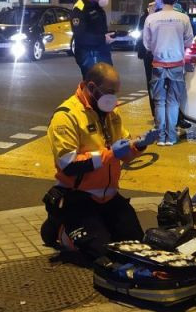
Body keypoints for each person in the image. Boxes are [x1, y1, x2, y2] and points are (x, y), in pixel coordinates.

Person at [40, 63, 159, 259]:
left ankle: (99, 224)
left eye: (116, 92)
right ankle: (59, 227)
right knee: (101, 254)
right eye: (109, 92)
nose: (114, 98)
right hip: (79, 196)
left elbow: (123, 151)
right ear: (92, 87)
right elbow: (69, 165)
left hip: (109, 197)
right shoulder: (67, 117)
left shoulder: (111, 113)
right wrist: (111, 153)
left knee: (137, 246)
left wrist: (138, 146)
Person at [143, 0, 194, 146]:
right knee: (173, 102)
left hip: (158, 64)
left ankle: (161, 137)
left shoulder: (151, 18)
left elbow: (147, 44)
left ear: (162, 0)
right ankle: (171, 137)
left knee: (159, 101)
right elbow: (189, 42)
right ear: (176, 1)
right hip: (177, 65)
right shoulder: (183, 18)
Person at [71, 0, 115, 78]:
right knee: (94, 85)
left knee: (107, 83)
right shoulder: (80, 8)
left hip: (102, 52)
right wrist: (102, 39)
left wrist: (108, 37)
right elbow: (80, 36)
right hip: (89, 55)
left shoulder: (97, 5)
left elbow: (98, 28)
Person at [136, 1, 157, 115]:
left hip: (160, 55)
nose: (152, 8)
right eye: (150, 6)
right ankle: (154, 112)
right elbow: (140, 35)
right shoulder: (144, 18)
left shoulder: (161, 16)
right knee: (151, 83)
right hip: (148, 55)